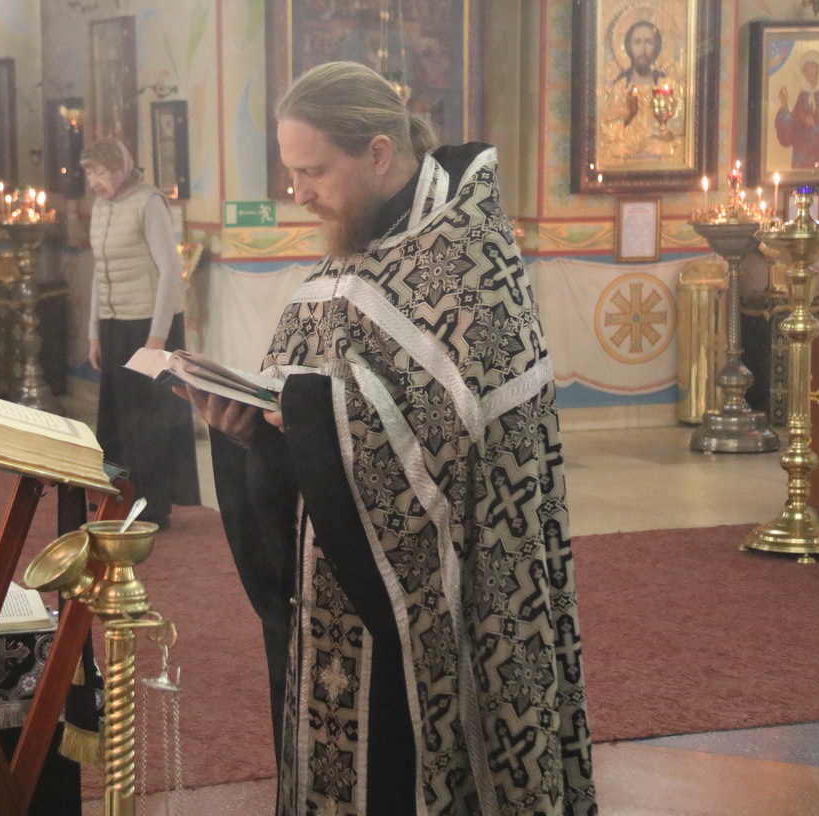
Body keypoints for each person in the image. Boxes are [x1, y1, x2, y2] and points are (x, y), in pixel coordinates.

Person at [181, 62, 596, 815]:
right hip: (333, 578)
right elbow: (313, 387)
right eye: (290, 172)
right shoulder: (358, 242)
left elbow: (456, 442)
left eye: (312, 171)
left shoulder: (467, 260)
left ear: (377, 153)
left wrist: (311, 412)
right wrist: (251, 429)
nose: (298, 193)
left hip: (456, 596)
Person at [82, 137, 199, 529]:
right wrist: (94, 333)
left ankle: (151, 504)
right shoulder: (101, 206)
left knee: (148, 420)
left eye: (99, 172)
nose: (94, 182)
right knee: (117, 417)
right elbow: (100, 272)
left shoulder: (149, 202)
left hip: (150, 325)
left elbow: (170, 270)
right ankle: (116, 494)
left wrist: (157, 338)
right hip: (115, 324)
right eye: (89, 173)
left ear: (120, 169)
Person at [600, 19, 682, 162]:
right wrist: (629, 115)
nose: (643, 50)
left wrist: (667, 128)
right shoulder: (621, 88)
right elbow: (606, 131)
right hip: (627, 158)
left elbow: (681, 126)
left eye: (649, 42)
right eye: (637, 42)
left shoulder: (668, 86)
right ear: (628, 47)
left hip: (661, 157)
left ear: (657, 48)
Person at [773, 50, 819, 170]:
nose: (809, 72)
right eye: (805, 69)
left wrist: (814, 124)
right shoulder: (803, 95)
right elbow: (793, 124)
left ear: (818, 68)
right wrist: (784, 104)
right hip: (802, 159)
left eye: (812, 67)